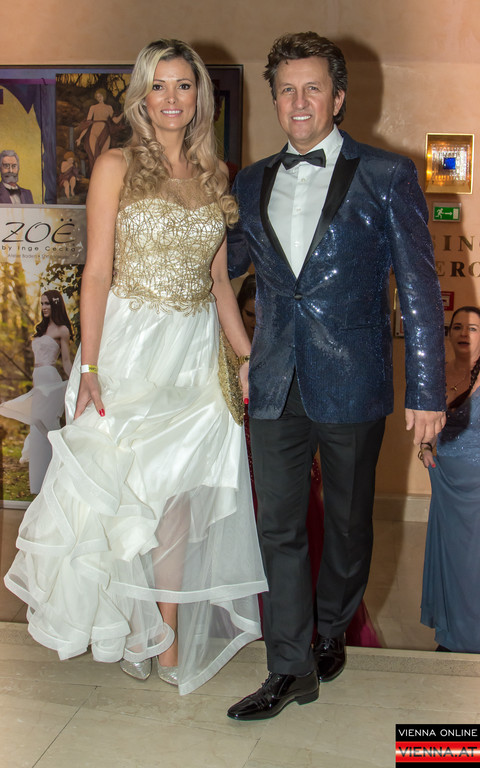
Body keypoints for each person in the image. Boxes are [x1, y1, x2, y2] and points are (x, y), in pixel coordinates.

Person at [4, 39, 267, 696]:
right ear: (142, 97)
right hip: (128, 347)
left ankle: (167, 637)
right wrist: (89, 364)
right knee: (124, 494)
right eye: (159, 85)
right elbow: (95, 273)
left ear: (199, 97)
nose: (172, 98)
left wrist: (245, 358)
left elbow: (219, 282)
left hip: (193, 354)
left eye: (184, 85)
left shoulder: (216, 173)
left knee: (178, 500)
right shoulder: (114, 165)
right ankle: (127, 623)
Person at [227, 31, 446, 721]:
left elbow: (418, 287)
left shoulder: (386, 175)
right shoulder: (250, 181)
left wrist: (427, 392)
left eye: (313, 88)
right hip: (274, 379)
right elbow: (224, 262)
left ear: (338, 97)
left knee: (348, 528)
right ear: (274, 99)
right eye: (286, 90)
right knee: (278, 528)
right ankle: (289, 666)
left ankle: (330, 629)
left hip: (354, 379)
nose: (299, 102)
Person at [237, 273, 380, 648]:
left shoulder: (298, 346)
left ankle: (325, 633)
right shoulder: (231, 349)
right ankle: (284, 654)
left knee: (337, 529)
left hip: (296, 458)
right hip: (244, 473)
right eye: (250, 314)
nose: (255, 322)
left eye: (260, 315)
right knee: (274, 540)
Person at [420, 306, 480, 653]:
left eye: (472, 328)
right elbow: (427, 427)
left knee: (474, 559)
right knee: (452, 558)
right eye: (457, 326)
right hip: (446, 479)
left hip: (477, 482)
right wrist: (425, 447)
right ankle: (454, 635)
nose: (463, 333)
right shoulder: (437, 374)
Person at [0, 290, 73, 493]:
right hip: (38, 377)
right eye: (42, 303)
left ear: (55, 305)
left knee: (46, 426)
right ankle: (39, 484)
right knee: (37, 427)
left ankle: (54, 479)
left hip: (49, 378)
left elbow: (66, 361)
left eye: (47, 303)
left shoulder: (62, 330)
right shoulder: (41, 329)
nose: (44, 307)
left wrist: (75, 381)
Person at [75, 88, 124, 176]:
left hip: (105, 133)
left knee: (102, 157)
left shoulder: (109, 108)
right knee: (95, 157)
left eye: (100, 96)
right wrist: (80, 138)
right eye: (97, 97)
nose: (99, 98)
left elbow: (115, 121)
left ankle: (102, 176)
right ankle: (95, 176)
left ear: (104, 96)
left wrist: (124, 113)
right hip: (93, 133)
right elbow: (88, 123)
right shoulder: (93, 107)